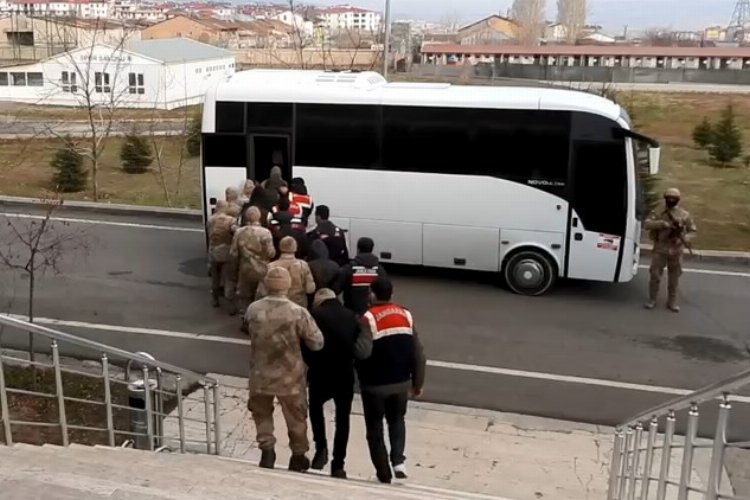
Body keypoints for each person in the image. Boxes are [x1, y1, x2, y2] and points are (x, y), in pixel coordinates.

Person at [245, 267, 324, 472]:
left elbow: (248, 330)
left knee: (261, 414)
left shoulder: (253, 309)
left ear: (267, 284)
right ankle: (298, 455)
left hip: (260, 374)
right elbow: (317, 343)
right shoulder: (298, 312)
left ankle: (267, 450)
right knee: (296, 418)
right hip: (290, 376)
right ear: (287, 285)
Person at [356, 277, 426, 484]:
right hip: (401, 383)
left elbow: (362, 352)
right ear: (391, 294)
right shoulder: (406, 315)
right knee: (397, 420)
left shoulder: (368, 318)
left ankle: (383, 472)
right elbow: (418, 355)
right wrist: (417, 383)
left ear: (372, 294)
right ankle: (398, 461)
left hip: (375, 385)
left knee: (375, 428)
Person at [304, 288, 372, 479]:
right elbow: (358, 346)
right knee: (343, 418)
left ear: (319, 301)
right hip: (344, 373)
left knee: (316, 409)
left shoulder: (314, 315)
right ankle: (338, 464)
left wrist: (311, 363)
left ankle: (321, 447)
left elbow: (306, 345)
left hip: (320, 372)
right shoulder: (351, 316)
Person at [644, 188, 697, 312]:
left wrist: (684, 238)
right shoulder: (658, 212)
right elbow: (647, 224)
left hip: (676, 250)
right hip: (660, 248)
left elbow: (693, 231)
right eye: (669, 198)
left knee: (674, 278)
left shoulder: (684, 214)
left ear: (678, 199)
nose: (671, 200)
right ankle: (652, 299)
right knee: (655, 275)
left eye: (674, 198)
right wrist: (661, 224)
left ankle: (672, 302)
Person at [230, 207, 276, 322]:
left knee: (244, 297)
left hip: (245, 269)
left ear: (246, 217)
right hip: (262, 270)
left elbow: (233, 253)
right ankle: (257, 320)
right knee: (260, 297)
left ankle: (245, 319)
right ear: (259, 217)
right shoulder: (265, 233)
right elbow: (271, 253)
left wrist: (234, 270)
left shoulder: (239, 232)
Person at [257, 236, 316, 308]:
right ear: (295, 248)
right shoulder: (303, 265)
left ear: (280, 247)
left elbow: (261, 292)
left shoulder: (270, 266)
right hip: (298, 306)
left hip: (275, 307)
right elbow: (310, 289)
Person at [340, 237, 387, 316]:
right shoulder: (380, 270)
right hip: (373, 314)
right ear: (371, 250)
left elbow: (337, 288)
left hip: (352, 314)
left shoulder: (348, 269)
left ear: (358, 250)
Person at [206, 200, 235, 308]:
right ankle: (230, 304)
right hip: (227, 253)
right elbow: (235, 231)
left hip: (214, 253)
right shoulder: (231, 220)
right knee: (228, 279)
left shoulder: (210, 220)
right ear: (226, 208)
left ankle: (215, 300)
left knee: (215, 279)